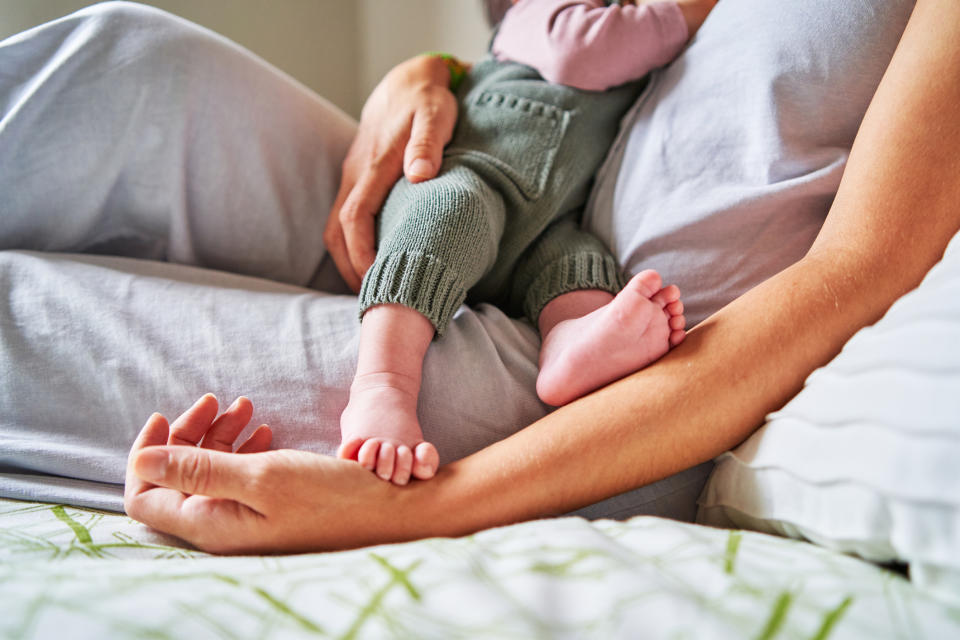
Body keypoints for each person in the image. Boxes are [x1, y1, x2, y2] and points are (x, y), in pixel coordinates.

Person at [2, 0, 957, 554]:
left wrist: (415, 507)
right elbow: (582, 65)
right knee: (126, 63)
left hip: (614, 380)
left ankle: (393, 382)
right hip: (506, 192)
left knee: (30, 318)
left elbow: (859, 273)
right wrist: (435, 75)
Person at [340, 0, 718, 485]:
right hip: (468, 178)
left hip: (545, 225)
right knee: (449, 212)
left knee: (577, 259)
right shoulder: (536, 19)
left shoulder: (639, 66)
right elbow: (581, 50)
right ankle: (381, 385)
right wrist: (685, 14)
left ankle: (569, 345)